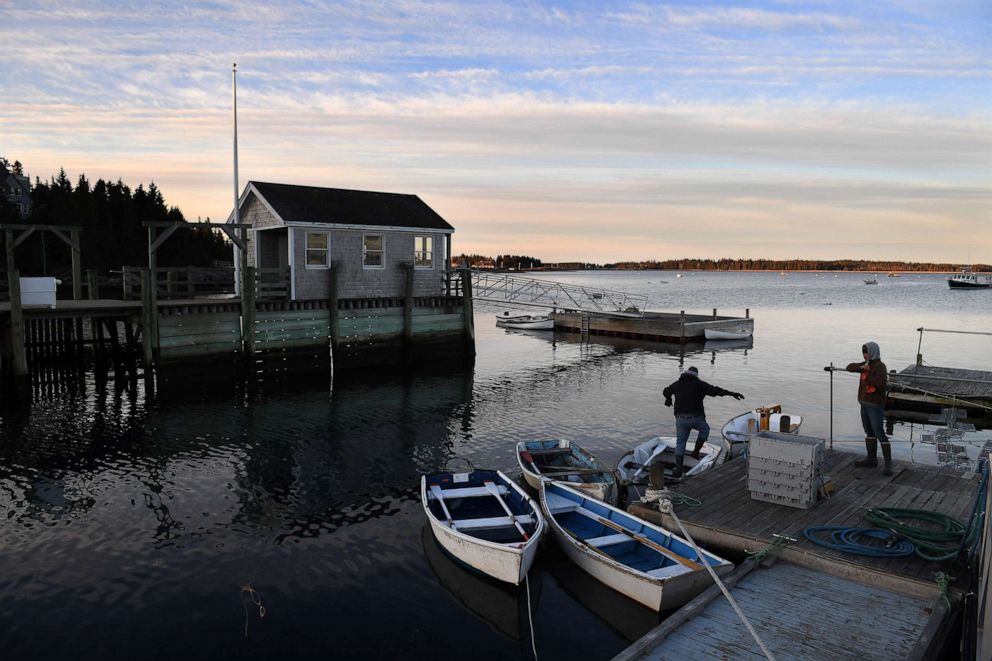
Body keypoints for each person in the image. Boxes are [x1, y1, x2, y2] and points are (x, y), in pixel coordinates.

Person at [663, 366, 745, 478]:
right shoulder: (700, 384)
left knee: (680, 443)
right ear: (696, 375)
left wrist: (668, 399)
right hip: (696, 418)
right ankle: (696, 452)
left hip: (680, 419)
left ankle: (678, 469)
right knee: (705, 430)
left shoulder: (677, 384)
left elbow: (665, 391)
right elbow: (716, 390)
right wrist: (732, 393)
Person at [846, 341, 893, 475]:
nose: (865, 355)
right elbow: (849, 367)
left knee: (879, 433)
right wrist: (861, 367)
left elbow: (879, 382)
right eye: (863, 353)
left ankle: (888, 464)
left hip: (875, 405)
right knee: (869, 431)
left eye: (866, 352)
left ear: (873, 352)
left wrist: (867, 375)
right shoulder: (865, 365)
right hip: (864, 404)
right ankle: (871, 459)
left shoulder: (880, 367)